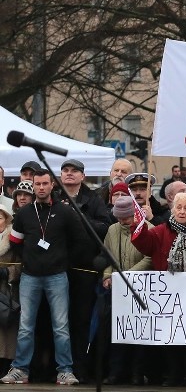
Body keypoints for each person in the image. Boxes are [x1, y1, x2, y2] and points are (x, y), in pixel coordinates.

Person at [2, 169, 86, 385]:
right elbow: (15, 241)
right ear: (34, 186)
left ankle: (65, 370)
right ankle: (20, 368)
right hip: (30, 277)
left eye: (44, 183)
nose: (40, 187)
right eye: (37, 184)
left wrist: (65, 262)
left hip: (57, 276)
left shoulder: (66, 212)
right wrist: (29, 259)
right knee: (25, 326)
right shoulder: (24, 213)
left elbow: (80, 240)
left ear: (52, 185)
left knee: (60, 326)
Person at [131, 192, 186, 387]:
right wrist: (139, 224)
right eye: (179, 207)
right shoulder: (160, 231)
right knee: (171, 338)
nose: (182, 211)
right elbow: (143, 244)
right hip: (167, 296)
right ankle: (174, 376)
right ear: (172, 209)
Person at [59, 158, 111, 383]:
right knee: (58, 322)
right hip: (57, 269)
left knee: (81, 320)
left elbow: (104, 226)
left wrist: (78, 218)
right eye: (65, 170)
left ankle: (81, 368)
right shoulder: (54, 197)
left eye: (74, 171)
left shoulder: (94, 199)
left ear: (82, 175)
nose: (69, 174)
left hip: (84, 271)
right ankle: (57, 367)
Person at [102, 197, 152, 385]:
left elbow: (150, 257)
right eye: (119, 218)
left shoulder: (148, 228)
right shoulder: (112, 230)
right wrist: (107, 275)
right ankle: (116, 372)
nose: (123, 221)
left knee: (139, 333)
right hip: (118, 288)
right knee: (118, 332)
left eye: (127, 218)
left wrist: (127, 276)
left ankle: (137, 373)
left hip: (141, 287)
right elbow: (106, 256)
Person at [0, 205, 21, 375]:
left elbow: (22, 263)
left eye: (0, 217)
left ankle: (6, 365)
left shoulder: (13, 238)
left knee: (7, 332)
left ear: (6, 219)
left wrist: (7, 272)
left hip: (7, 291)